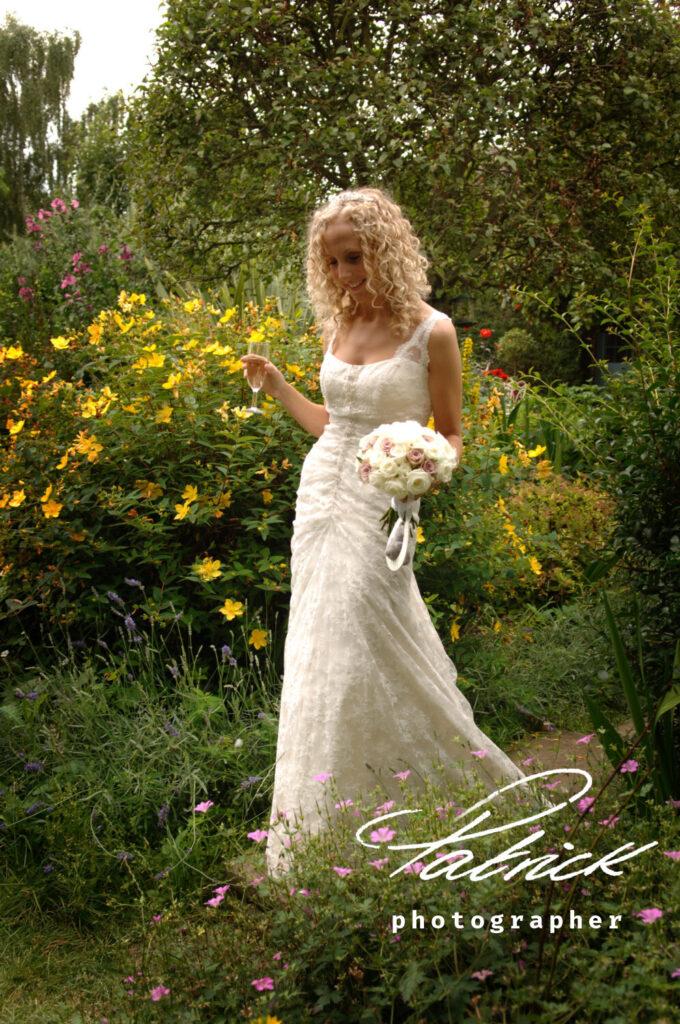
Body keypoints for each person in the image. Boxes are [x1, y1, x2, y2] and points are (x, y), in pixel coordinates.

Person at [242, 187, 524, 877]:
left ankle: (437, 794)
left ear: (386, 250)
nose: (345, 275)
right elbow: (333, 426)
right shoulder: (339, 327)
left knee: (374, 632)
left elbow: (451, 433)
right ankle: (326, 822)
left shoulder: (434, 332)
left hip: (380, 504)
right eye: (333, 262)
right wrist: (278, 385)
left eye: (356, 258)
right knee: (320, 645)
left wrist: (420, 471)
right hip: (321, 498)